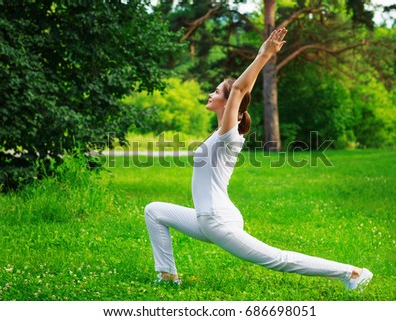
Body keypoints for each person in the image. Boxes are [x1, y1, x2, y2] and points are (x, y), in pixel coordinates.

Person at [144, 28, 373, 290]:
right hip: (204, 218)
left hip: (218, 220)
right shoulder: (218, 133)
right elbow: (241, 92)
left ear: (230, 105)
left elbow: (240, 90)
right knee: (155, 210)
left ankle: (352, 273)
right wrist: (242, 87)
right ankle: (167, 277)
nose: (211, 94)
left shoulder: (228, 137)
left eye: (217, 91)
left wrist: (264, 55)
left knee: (277, 259)